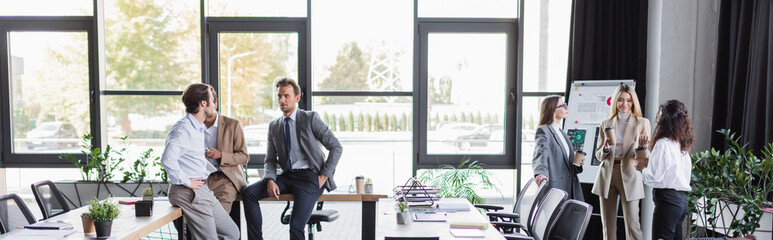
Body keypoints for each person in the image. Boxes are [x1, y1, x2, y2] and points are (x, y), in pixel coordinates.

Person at [242, 77, 343, 240]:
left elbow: (336, 147)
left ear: (297, 97)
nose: (282, 100)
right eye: (279, 96)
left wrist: (324, 175)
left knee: (296, 226)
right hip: (287, 176)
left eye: (286, 96)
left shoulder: (310, 118)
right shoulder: (274, 126)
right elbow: (270, 160)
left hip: (310, 178)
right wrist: (270, 179)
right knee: (248, 193)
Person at [161, 83, 239, 240]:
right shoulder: (183, 129)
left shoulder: (197, 127)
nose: (214, 103)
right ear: (203, 103)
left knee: (231, 233)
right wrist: (186, 181)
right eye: (212, 98)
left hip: (203, 189)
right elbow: (167, 159)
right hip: (188, 191)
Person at [591, 84, 651, 240]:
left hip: (630, 175)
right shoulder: (606, 123)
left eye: (629, 100)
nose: (624, 104)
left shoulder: (642, 123)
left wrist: (642, 147)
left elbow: (645, 157)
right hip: (607, 175)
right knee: (608, 226)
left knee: (633, 226)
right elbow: (598, 155)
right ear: (615, 101)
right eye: (621, 100)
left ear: (633, 102)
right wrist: (605, 149)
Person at [637, 100, 694, 240]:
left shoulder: (663, 144)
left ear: (665, 119)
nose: (658, 117)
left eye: (660, 114)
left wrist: (642, 168)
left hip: (668, 202)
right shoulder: (681, 145)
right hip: (681, 201)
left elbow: (654, 177)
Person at [203, 89, 249, 215]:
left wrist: (221, 155)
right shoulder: (194, 126)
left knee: (219, 218)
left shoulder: (233, 125)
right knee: (184, 216)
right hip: (202, 178)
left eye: (207, 105)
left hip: (225, 178)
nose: (204, 110)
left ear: (215, 104)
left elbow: (244, 157)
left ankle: (214, 234)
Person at [532, 95, 585, 201]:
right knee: (556, 218)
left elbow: (564, 162)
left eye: (565, 105)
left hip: (571, 187)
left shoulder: (562, 133)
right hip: (556, 188)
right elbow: (541, 152)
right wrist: (540, 173)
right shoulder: (544, 130)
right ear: (552, 111)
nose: (566, 108)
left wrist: (577, 163)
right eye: (562, 106)